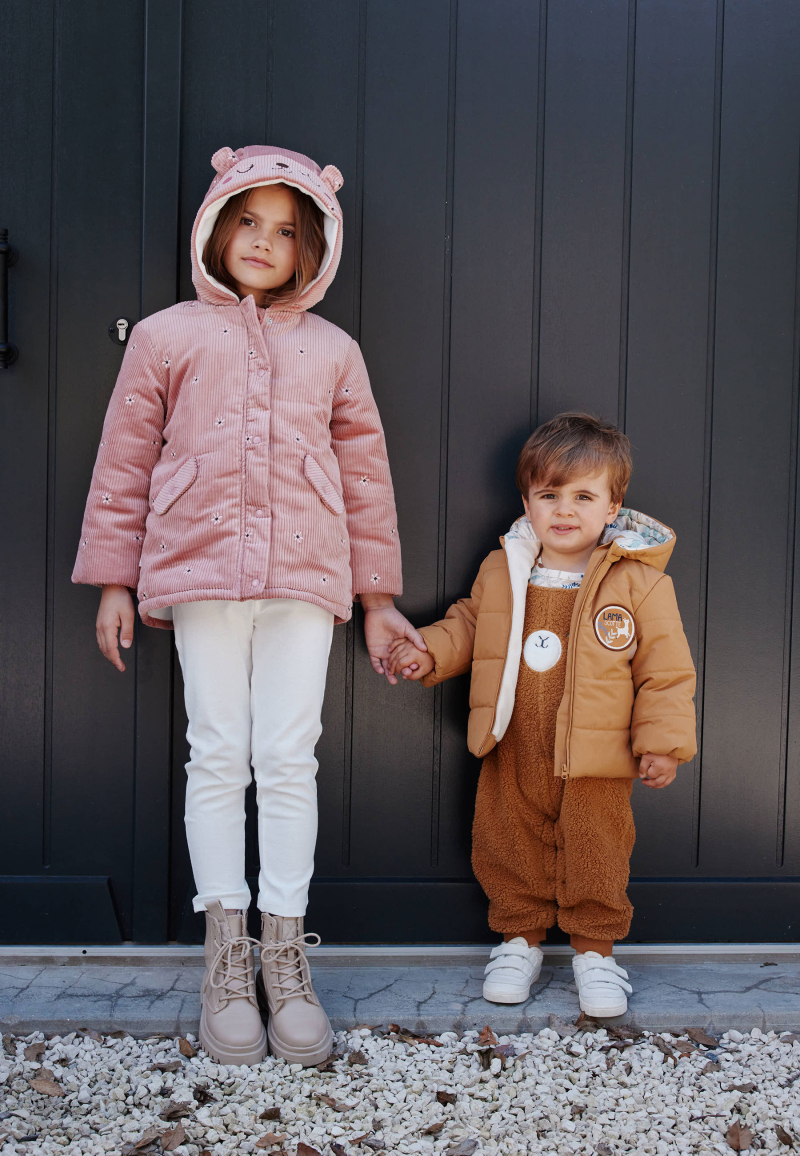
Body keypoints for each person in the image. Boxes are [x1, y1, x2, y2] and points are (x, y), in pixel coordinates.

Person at [72, 145, 425, 1066]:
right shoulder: (164, 336)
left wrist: (378, 599)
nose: (263, 241)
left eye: (286, 229)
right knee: (218, 752)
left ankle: (284, 953)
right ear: (214, 227)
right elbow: (124, 460)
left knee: (288, 754)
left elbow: (366, 476)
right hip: (195, 572)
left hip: (307, 578)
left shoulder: (333, 350)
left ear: (313, 248)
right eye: (247, 220)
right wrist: (116, 577)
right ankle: (224, 957)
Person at [389, 413, 696, 1018]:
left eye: (583, 496)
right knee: (506, 840)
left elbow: (666, 673)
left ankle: (595, 952)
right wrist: (425, 651)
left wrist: (662, 743)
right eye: (548, 494)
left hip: (598, 756)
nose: (564, 510)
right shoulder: (505, 568)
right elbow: (472, 627)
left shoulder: (639, 584)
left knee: (598, 847)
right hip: (514, 741)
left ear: (613, 506)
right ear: (526, 501)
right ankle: (519, 941)